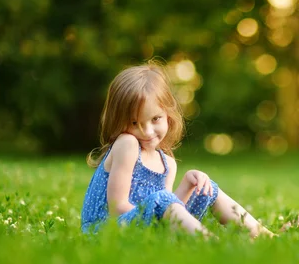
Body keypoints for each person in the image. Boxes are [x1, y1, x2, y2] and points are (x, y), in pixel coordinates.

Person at [80, 62, 274, 238]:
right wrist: (158, 208)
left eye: (155, 119)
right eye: (134, 122)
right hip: (105, 230)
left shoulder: (167, 164)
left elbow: (170, 210)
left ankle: (263, 236)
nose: (146, 131)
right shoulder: (127, 144)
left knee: (207, 189)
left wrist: (188, 185)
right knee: (161, 199)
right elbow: (117, 208)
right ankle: (211, 245)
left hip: (141, 228)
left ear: (168, 114)